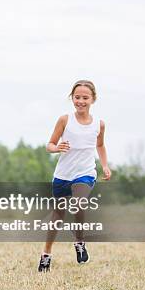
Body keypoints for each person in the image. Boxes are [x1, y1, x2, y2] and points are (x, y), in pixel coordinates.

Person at [38, 80, 111, 272]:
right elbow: (50, 144)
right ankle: (46, 254)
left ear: (93, 99)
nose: (80, 101)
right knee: (58, 215)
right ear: (72, 98)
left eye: (85, 98)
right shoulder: (64, 120)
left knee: (79, 204)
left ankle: (79, 241)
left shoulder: (99, 124)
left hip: (85, 173)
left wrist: (104, 165)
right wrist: (56, 148)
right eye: (77, 97)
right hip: (63, 174)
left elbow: (100, 145)